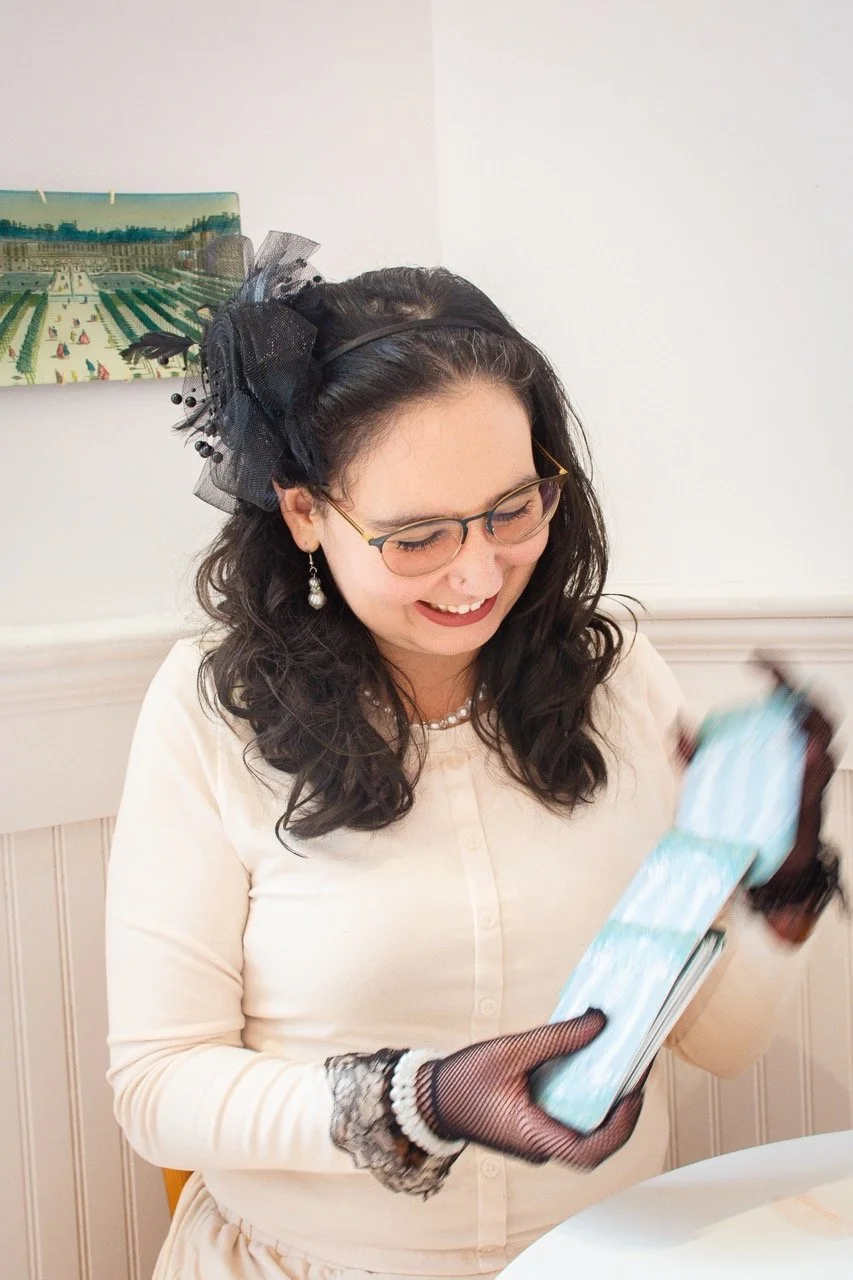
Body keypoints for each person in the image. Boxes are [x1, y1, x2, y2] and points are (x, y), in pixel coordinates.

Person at [106, 232, 844, 1280]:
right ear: (307, 511)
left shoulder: (616, 673)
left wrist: (779, 875)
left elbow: (716, 1043)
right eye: (416, 536)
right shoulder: (207, 711)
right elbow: (156, 1089)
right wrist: (421, 1098)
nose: (477, 570)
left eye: (512, 509)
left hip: (605, 1254)